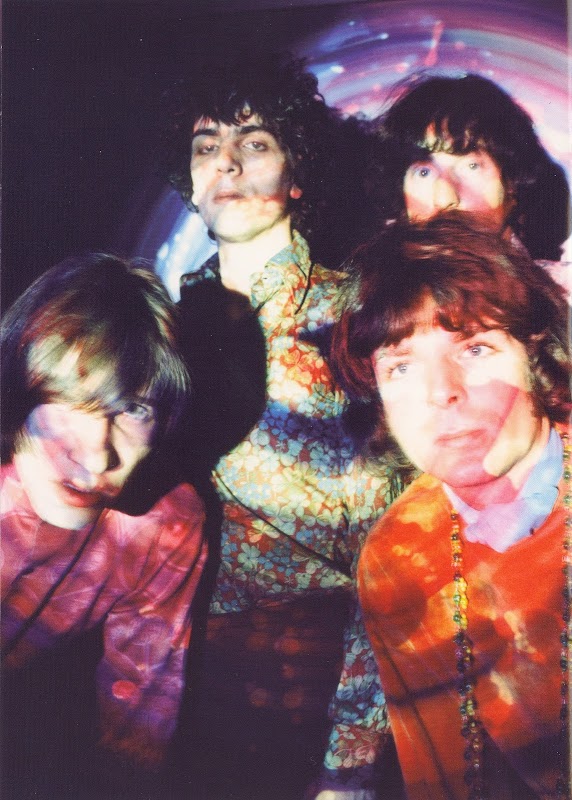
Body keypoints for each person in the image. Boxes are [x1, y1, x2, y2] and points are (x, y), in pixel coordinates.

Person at [163, 51, 402, 799]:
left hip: (312, 690)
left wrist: (348, 769)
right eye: (207, 145)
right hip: (173, 681)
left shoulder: (354, 315)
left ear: (297, 176)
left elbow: (386, 556)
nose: (226, 163)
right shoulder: (158, 324)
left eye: (255, 142)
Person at [332, 212, 571, 799]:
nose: (442, 392)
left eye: (475, 347)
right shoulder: (395, 557)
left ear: (533, 352)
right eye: (401, 366)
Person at [1, 254, 207, 798]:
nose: (96, 457)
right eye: (70, 398)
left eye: (133, 409)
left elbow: (136, 729)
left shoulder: (161, 525)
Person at [371, 73, 570, 264]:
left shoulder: (557, 286)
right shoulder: (371, 282)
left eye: (471, 166)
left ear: (512, 184)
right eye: (424, 172)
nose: (445, 199)